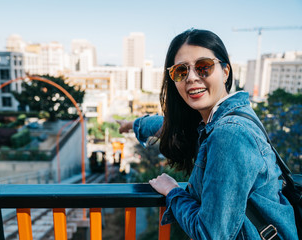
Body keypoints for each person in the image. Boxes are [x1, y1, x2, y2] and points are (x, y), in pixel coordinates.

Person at [118, 29, 298, 239]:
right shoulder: (228, 116)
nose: (192, 78)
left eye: (204, 67)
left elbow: (211, 234)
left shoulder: (229, 134)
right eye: (180, 71)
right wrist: (132, 124)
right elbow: (170, 125)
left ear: (225, 71)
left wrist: (173, 192)